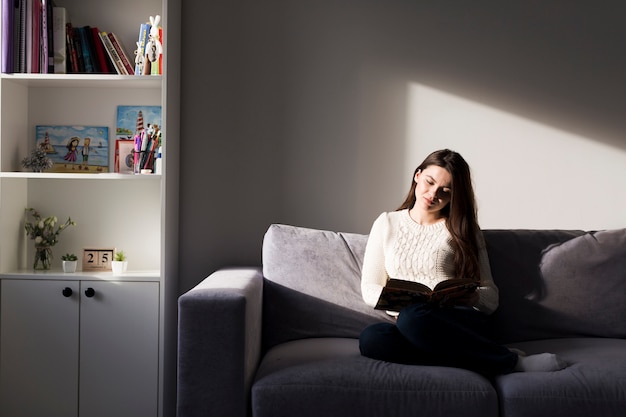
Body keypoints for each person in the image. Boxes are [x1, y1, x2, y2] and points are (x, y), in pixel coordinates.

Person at [359, 149, 565, 375]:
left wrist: (474, 296)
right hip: (415, 324)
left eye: (445, 191)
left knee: (413, 319)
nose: (433, 193)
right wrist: (399, 302)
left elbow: (491, 297)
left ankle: (513, 364)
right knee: (372, 339)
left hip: (457, 320)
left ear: (454, 196)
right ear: (417, 175)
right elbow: (370, 288)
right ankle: (487, 357)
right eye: (429, 182)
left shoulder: (463, 229)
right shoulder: (386, 223)